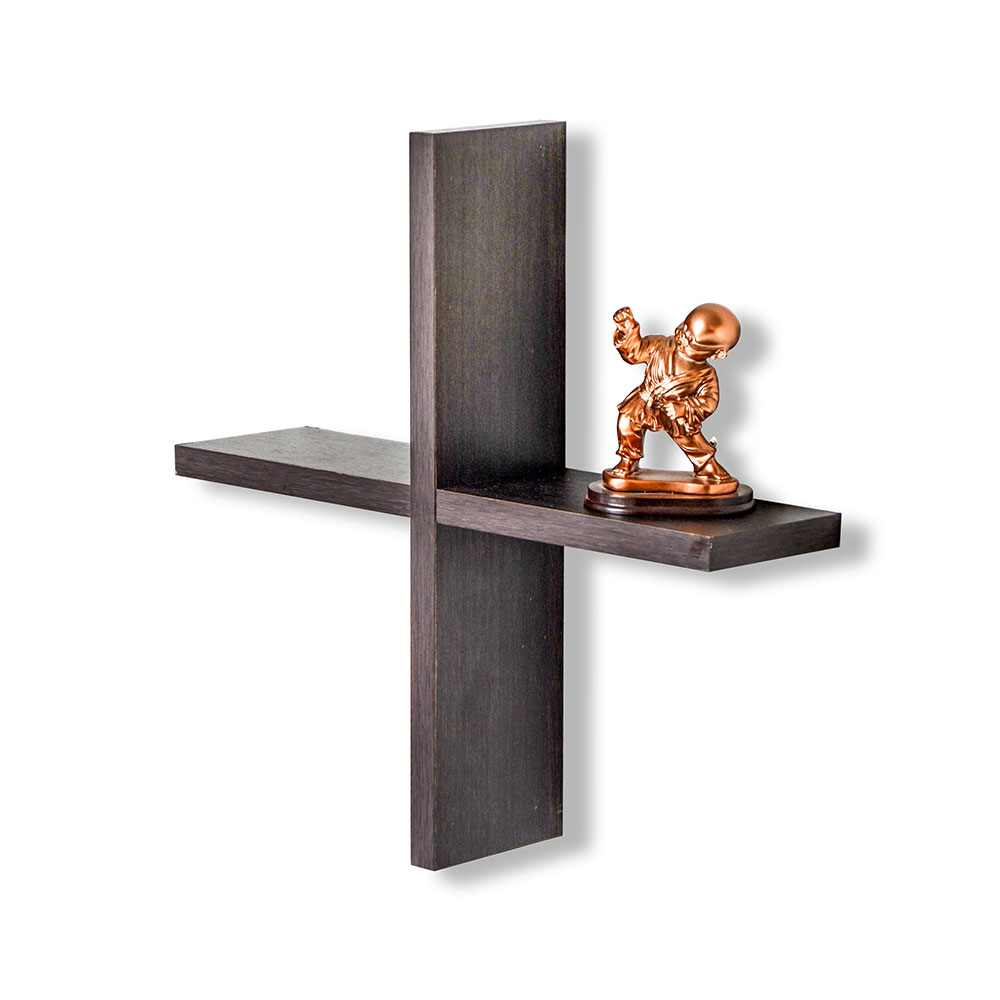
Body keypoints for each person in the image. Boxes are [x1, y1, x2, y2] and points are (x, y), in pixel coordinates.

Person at [607, 304, 741, 482]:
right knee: (627, 424)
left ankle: (706, 464)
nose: (682, 338)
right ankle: (628, 461)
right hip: (645, 399)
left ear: (718, 353)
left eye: (691, 340)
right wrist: (627, 330)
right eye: (683, 328)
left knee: (690, 439)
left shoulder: (706, 375)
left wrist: (683, 408)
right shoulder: (660, 344)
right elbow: (635, 353)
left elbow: (709, 401)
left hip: (676, 409)